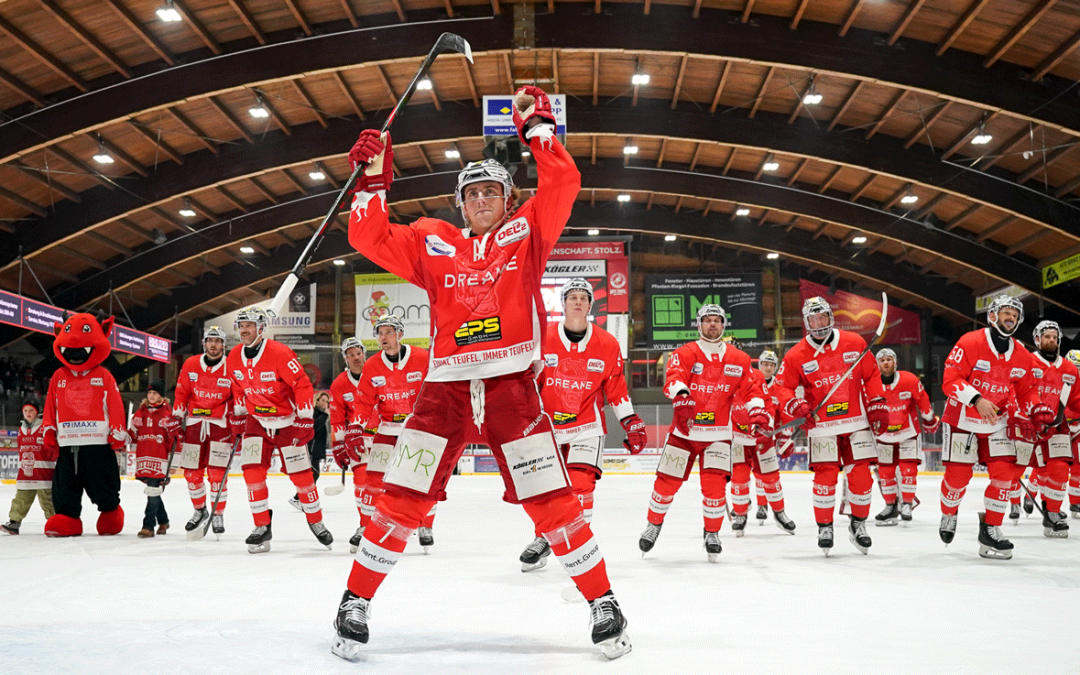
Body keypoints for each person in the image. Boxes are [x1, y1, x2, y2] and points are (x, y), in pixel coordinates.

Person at [333, 85, 630, 661]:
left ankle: (603, 602)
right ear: (460, 202)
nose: (483, 199)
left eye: (494, 191)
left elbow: (563, 184)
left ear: (508, 197)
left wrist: (539, 128)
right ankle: (354, 601)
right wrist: (372, 181)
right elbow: (365, 236)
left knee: (552, 499)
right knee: (402, 498)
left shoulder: (528, 232)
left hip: (511, 389)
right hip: (442, 392)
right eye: (473, 193)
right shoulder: (431, 240)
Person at [518, 278, 647, 572]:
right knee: (546, 491)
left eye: (583, 297)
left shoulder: (608, 344)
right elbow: (524, 383)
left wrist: (631, 421)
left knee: (580, 486)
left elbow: (616, 389)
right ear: (563, 304)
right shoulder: (541, 339)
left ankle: (578, 548)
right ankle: (544, 537)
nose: (577, 301)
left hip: (585, 427)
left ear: (590, 305)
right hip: (546, 429)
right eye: (572, 296)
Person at [638, 304, 771, 561]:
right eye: (707, 320)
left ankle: (712, 533)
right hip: (684, 434)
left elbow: (752, 391)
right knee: (666, 485)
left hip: (719, 434)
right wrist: (682, 395)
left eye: (717, 320)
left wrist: (758, 413)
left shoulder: (739, 359)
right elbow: (674, 378)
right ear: (698, 325)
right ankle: (653, 525)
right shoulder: (685, 353)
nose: (712, 324)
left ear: (724, 325)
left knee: (714, 489)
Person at [938, 295, 1052, 559]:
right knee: (958, 478)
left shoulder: (1022, 354)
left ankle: (991, 528)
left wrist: (1037, 410)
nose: (1010, 317)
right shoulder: (970, 342)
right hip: (962, 419)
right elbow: (949, 380)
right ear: (992, 316)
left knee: (1005, 475)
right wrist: (976, 399)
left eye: (1015, 313)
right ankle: (948, 512)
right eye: (1006, 312)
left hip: (997, 422)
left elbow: (1026, 392)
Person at [773, 297, 889, 555]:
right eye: (813, 319)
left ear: (830, 317)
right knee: (825, 479)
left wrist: (878, 401)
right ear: (806, 322)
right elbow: (781, 387)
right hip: (822, 426)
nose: (818, 323)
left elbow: (871, 375)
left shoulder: (854, 342)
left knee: (861, 478)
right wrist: (794, 405)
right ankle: (824, 526)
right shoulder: (796, 355)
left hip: (856, 422)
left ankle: (858, 524)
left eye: (822, 316)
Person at [225, 307, 332, 553]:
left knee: (302, 477)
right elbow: (238, 388)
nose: (244, 329)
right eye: (241, 325)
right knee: (252, 474)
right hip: (256, 420)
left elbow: (302, 384)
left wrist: (305, 417)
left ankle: (316, 521)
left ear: (261, 328)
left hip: (287, 420)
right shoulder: (233, 357)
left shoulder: (280, 353)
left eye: (249, 325)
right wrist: (239, 416)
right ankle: (262, 526)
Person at [350, 314, 433, 553]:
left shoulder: (422, 358)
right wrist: (355, 426)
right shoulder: (372, 365)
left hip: (419, 429)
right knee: (373, 479)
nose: (383, 337)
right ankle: (365, 526)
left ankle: (426, 525)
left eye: (388, 332)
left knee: (423, 480)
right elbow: (364, 401)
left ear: (400, 334)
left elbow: (435, 392)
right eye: (380, 333)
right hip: (387, 428)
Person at [42, 313, 127, 537]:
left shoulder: (104, 376)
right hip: (67, 444)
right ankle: (67, 517)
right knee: (65, 486)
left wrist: (118, 432)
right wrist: (49, 433)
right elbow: (51, 407)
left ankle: (110, 511)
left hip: (97, 444)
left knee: (103, 485)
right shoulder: (58, 376)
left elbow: (115, 405)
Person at [1008, 320, 1078, 537]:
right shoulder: (1027, 361)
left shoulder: (1069, 369)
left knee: (1059, 469)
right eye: (1047, 337)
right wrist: (1015, 416)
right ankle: (1008, 505)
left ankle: (1053, 513)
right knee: (1012, 471)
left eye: (1055, 338)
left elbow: (1076, 399)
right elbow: (1011, 390)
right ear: (1037, 339)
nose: (1052, 341)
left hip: (1057, 427)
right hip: (1027, 426)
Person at [172, 325, 235, 540]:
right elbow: (182, 392)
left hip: (220, 427)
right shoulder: (190, 364)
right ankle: (199, 510)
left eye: (218, 341)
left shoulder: (232, 366)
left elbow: (238, 396)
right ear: (204, 343)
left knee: (217, 474)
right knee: (191, 473)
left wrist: (239, 419)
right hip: (194, 425)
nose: (214, 345)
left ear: (223, 345)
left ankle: (218, 513)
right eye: (210, 340)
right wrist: (176, 416)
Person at [864, 349, 938, 526]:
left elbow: (922, 399)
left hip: (908, 432)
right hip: (884, 434)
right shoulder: (869, 384)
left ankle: (907, 504)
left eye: (889, 359)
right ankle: (890, 506)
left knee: (908, 470)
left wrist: (928, 418)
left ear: (895, 363)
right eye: (882, 360)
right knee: (886, 473)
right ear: (877, 364)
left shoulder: (909, 379)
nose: (886, 362)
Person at [728, 348, 796, 535]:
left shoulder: (767, 382)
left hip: (763, 439)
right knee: (739, 479)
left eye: (771, 364)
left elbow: (778, 410)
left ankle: (779, 513)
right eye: (765, 364)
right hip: (739, 439)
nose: (767, 368)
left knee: (771, 478)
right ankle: (740, 515)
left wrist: (783, 436)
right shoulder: (730, 379)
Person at [329, 337, 372, 553]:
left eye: (358, 353)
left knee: (387, 483)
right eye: (351, 355)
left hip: (385, 435)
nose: (356, 358)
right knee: (362, 481)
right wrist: (338, 444)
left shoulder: (376, 373)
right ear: (345, 358)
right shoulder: (339, 384)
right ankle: (365, 525)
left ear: (364, 354)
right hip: (358, 440)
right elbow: (337, 418)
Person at [129, 379, 179, 538]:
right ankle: (163, 521)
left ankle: (148, 526)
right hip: (144, 456)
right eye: (149, 392)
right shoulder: (141, 411)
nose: (151, 395)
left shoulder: (167, 414)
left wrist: (174, 462)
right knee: (154, 492)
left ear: (161, 396)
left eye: (155, 393)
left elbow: (174, 439)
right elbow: (133, 434)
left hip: (160, 459)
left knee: (152, 490)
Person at [2, 400, 55, 534]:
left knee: (48, 502)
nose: (28, 413)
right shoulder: (21, 429)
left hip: (44, 473)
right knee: (20, 500)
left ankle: (54, 523)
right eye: (25, 411)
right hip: (26, 474)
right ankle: (14, 523)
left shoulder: (45, 427)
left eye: (31, 410)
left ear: (37, 412)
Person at [290, 390, 330, 512]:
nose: (325, 403)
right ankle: (299, 498)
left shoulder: (321, 413)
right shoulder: (314, 413)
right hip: (311, 449)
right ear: (317, 400)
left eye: (327, 402)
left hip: (316, 449)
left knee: (313, 475)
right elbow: (315, 426)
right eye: (323, 401)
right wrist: (325, 415)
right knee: (313, 475)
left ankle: (300, 498)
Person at [1067, 349, 1080, 519]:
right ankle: (1027, 496)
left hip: (1077, 429)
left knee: (1077, 466)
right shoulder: (1058, 378)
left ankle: (1075, 502)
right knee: (1045, 468)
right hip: (1059, 428)